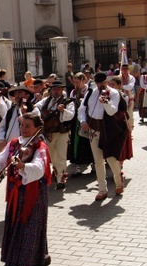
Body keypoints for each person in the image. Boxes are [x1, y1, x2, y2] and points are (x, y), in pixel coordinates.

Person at [0, 113, 51, 266]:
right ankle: (39, 255)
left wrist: (23, 166)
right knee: (16, 224)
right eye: (22, 125)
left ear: (37, 129)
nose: (23, 129)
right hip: (15, 192)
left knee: (30, 226)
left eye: (28, 126)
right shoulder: (14, 143)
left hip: (33, 193)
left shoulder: (40, 146)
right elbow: (0, 159)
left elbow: (40, 168)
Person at [77, 71, 124, 200]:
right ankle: (102, 190)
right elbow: (82, 108)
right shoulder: (90, 93)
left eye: (102, 82)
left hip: (107, 129)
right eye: (98, 82)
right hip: (93, 129)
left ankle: (118, 181)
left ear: (107, 81)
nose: (100, 85)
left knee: (110, 158)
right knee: (98, 161)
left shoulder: (114, 93)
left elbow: (112, 110)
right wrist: (83, 121)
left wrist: (105, 102)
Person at [35, 80, 75, 189]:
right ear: (51, 90)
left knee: (62, 155)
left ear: (62, 90)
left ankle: (61, 178)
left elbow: (71, 115)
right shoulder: (46, 101)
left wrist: (63, 111)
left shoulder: (68, 101)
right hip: (49, 133)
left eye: (58, 89)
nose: (56, 91)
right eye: (54, 89)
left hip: (62, 132)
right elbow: (36, 108)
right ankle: (57, 173)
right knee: (53, 156)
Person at [0, 84, 39, 149]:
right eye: (15, 94)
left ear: (27, 95)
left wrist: (24, 114)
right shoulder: (11, 110)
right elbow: (2, 126)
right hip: (9, 146)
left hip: (26, 147)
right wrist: (1, 139)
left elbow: (35, 127)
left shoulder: (33, 109)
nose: (17, 96)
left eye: (20, 93)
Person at [68, 72, 95, 175]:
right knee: (77, 143)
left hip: (88, 119)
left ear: (84, 81)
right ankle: (78, 165)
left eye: (78, 82)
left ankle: (93, 164)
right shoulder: (73, 92)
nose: (76, 84)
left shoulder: (90, 91)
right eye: (74, 82)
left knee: (89, 141)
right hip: (76, 120)